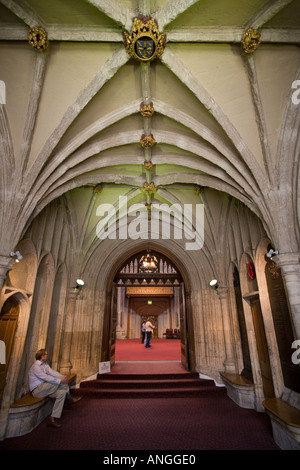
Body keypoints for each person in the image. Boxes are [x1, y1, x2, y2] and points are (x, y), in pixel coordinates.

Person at [28, 349, 82, 428]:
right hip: (38, 390)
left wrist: (62, 377)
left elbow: (52, 372)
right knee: (59, 383)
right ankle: (69, 397)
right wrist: (60, 380)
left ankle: (52, 418)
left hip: (46, 387)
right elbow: (45, 377)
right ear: (42, 356)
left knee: (62, 393)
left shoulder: (45, 364)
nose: (47, 356)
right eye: (46, 354)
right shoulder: (35, 367)